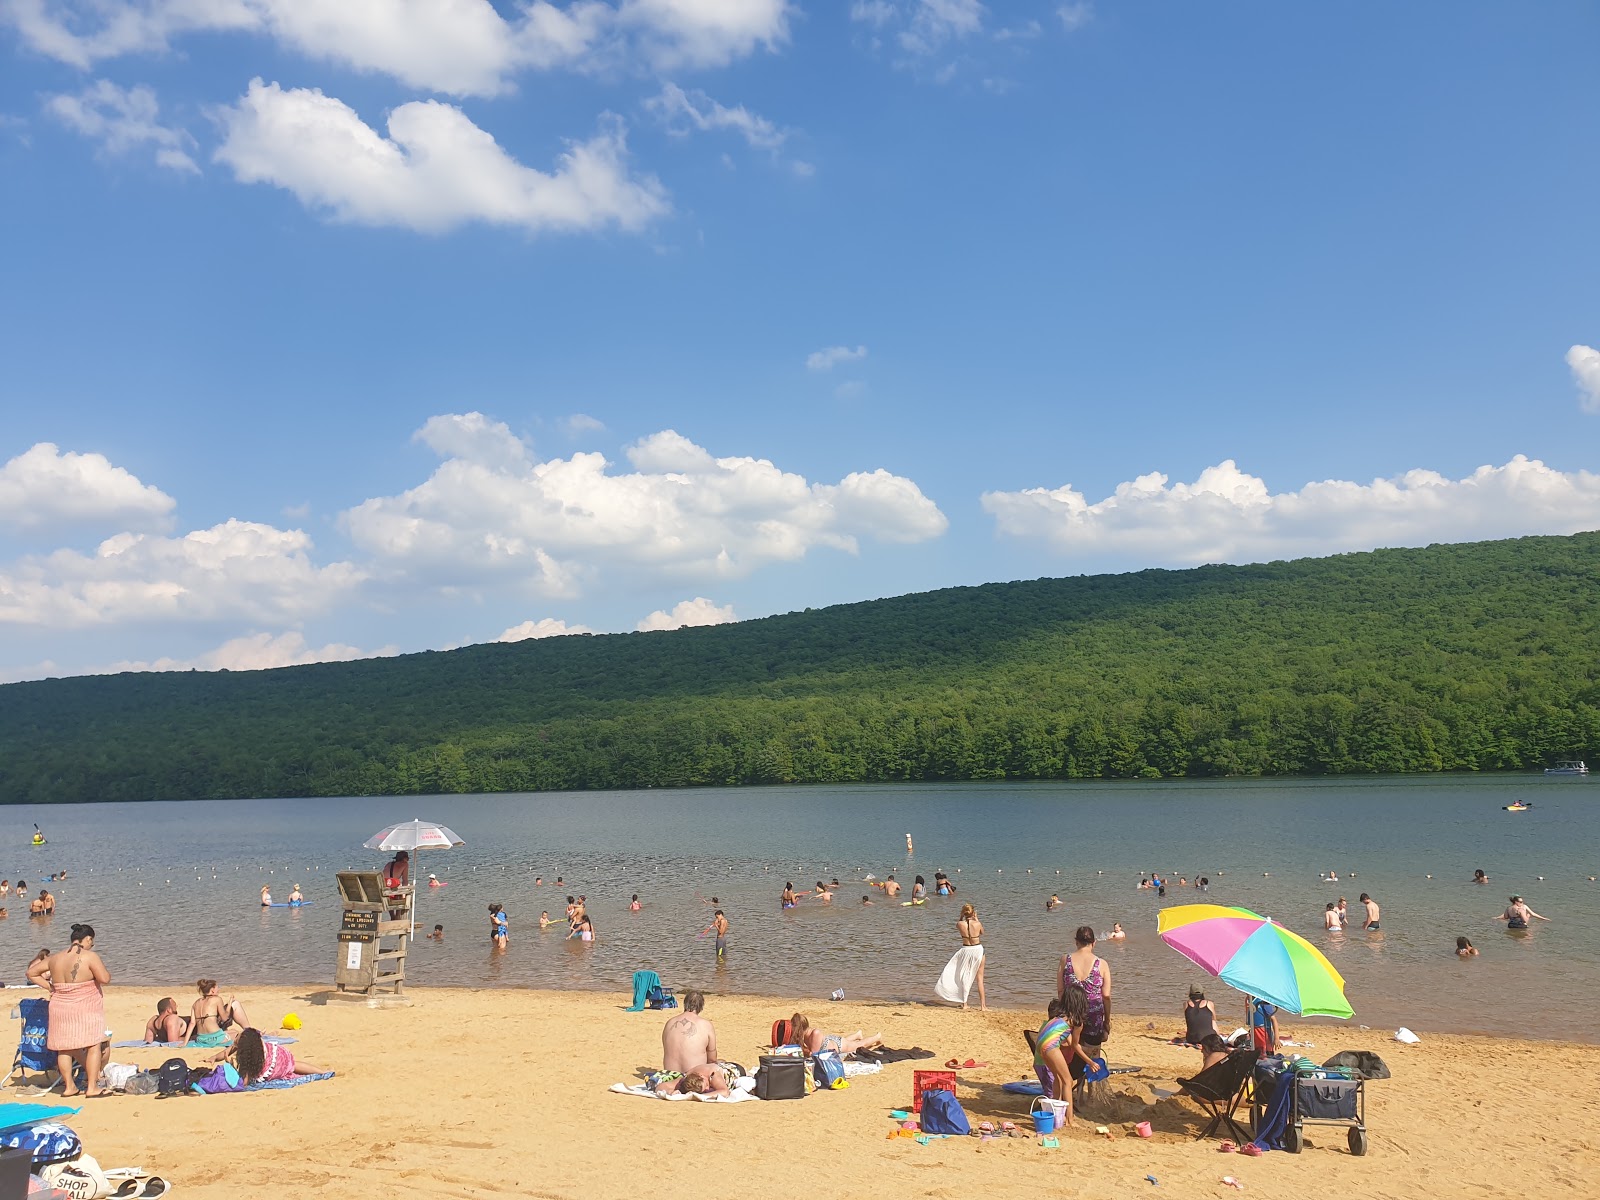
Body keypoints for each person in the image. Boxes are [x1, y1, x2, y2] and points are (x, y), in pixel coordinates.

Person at [31, 924, 109, 1097]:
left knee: (63, 1048)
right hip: (85, 1005)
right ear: (88, 939)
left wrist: (50, 987)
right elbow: (104, 978)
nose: (91, 945)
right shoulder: (90, 956)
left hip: (60, 1006)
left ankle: (69, 1087)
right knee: (93, 1044)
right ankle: (92, 1088)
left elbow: (31, 972)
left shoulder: (56, 958)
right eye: (92, 942)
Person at [204, 1027, 326, 1085]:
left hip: (270, 1067)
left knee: (291, 1067)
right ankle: (322, 1072)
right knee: (293, 1065)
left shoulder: (245, 1056)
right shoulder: (250, 1043)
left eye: (237, 1037)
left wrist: (230, 1065)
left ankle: (322, 1072)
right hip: (279, 1054)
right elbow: (226, 1051)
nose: (235, 1038)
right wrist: (214, 1057)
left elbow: (244, 1083)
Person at [1059, 926, 1111, 1061]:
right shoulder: (1102, 964)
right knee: (1093, 1057)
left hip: (1071, 1014)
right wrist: (1107, 1022)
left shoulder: (1065, 960)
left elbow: (1061, 991)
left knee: (1071, 1054)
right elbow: (1106, 996)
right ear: (1094, 943)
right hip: (1094, 1016)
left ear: (1076, 942)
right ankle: (1091, 1079)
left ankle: (1075, 1080)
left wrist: (1063, 1013)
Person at [1032, 995, 1079, 1121]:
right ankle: (1068, 1118)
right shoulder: (1064, 1024)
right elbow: (1071, 1044)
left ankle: (1055, 1113)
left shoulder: (1048, 1024)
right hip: (1046, 1060)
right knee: (1066, 1081)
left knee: (1057, 1081)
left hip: (1039, 1059)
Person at [934, 903, 986, 1011]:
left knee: (964, 976)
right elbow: (982, 932)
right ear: (973, 912)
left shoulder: (959, 924)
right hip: (977, 950)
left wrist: (961, 916)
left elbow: (958, 924)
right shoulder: (977, 923)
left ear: (964, 913)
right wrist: (976, 918)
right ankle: (983, 1006)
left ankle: (965, 1004)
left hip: (966, 950)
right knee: (979, 979)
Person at [662, 990, 716, 1073]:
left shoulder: (670, 1023)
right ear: (701, 1007)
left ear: (685, 1004)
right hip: (693, 1079)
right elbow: (712, 1060)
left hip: (670, 1076)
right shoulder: (706, 1025)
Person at [188, 979, 251, 1048]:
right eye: (217, 987)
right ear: (212, 990)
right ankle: (252, 1032)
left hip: (201, 1039)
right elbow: (225, 1018)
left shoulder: (195, 1003)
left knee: (233, 1031)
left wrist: (185, 1043)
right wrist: (230, 1002)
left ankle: (250, 1031)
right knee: (238, 1035)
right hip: (215, 1038)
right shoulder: (217, 999)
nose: (219, 989)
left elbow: (192, 1024)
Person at [787, 1013, 882, 1058]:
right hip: (831, 1041)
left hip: (838, 1046)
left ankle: (877, 1036)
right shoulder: (804, 1035)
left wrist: (800, 1049)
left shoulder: (814, 1033)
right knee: (847, 1041)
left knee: (860, 1045)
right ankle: (857, 1035)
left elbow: (813, 1054)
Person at [657, 1060, 746, 1097]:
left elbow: (724, 1092)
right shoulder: (686, 1078)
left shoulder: (713, 1075)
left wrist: (700, 1096)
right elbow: (660, 1086)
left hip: (735, 1069)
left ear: (702, 1077)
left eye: (706, 1085)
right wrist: (670, 1092)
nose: (708, 1088)